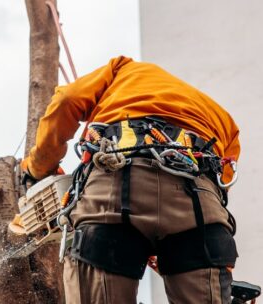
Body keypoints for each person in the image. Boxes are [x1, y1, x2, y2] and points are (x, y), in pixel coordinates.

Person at [21, 56, 240, 303]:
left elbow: (67, 100)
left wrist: (38, 168)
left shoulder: (122, 69)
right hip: (200, 204)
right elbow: (222, 186)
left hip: (117, 186)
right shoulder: (225, 120)